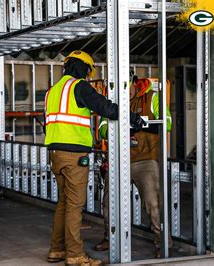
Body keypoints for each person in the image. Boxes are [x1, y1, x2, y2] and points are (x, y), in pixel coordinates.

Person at [45, 50, 145, 266]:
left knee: (63, 202)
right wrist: (132, 117)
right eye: (88, 71)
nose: (89, 76)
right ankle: (75, 255)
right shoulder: (78, 86)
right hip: (74, 155)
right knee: (74, 205)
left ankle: (56, 249)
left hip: (55, 154)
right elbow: (104, 107)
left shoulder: (52, 91)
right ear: (82, 68)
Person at [96, 76, 172, 258]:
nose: (126, 90)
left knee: (153, 203)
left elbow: (167, 122)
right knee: (109, 203)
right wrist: (121, 127)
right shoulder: (110, 103)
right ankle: (110, 237)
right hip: (118, 160)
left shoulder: (152, 97)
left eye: (127, 85)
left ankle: (163, 243)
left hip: (146, 159)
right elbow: (102, 130)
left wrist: (140, 126)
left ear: (134, 83)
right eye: (121, 86)